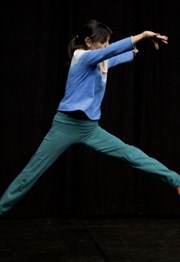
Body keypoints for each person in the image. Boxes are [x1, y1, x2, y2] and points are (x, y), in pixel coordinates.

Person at [0, 19, 180, 216]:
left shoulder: (101, 60)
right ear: (88, 41)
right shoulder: (82, 56)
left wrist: (136, 48)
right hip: (65, 126)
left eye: (108, 41)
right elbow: (110, 52)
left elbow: (115, 55)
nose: (107, 45)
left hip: (90, 129)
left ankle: (176, 181)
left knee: (131, 154)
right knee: (32, 171)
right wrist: (143, 35)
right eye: (103, 41)